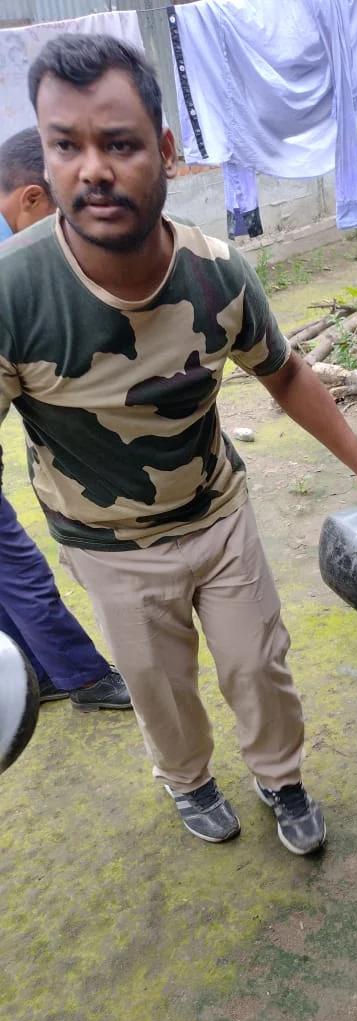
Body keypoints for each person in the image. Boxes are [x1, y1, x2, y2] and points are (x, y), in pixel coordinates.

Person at [0, 34, 357, 854]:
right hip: (107, 545)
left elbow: (285, 373)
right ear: (44, 162)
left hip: (217, 516)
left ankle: (281, 779)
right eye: (65, 146)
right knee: (160, 690)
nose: (92, 170)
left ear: (165, 150)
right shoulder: (15, 293)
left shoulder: (217, 273)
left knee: (257, 663)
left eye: (118, 144)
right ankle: (188, 782)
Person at [0, 127, 131, 712]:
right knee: (20, 566)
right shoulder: (12, 259)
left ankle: (37, 671)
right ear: (32, 198)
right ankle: (82, 677)